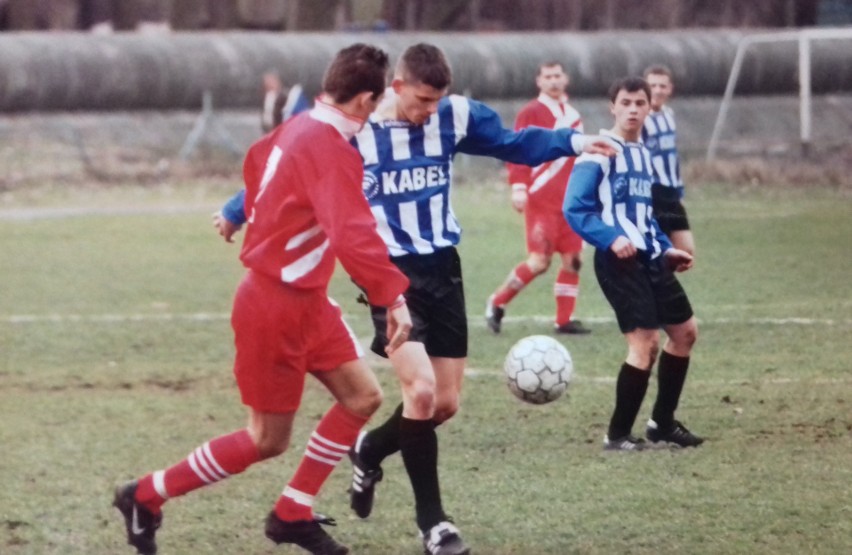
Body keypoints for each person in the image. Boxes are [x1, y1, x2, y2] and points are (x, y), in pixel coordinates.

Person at [214, 43, 619, 555]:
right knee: (420, 392)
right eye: (421, 99)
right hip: (388, 272)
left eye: (436, 100)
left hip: (442, 267)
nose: (429, 109)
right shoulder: (357, 125)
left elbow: (513, 143)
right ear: (396, 87)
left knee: (443, 405)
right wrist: (236, 208)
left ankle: (369, 448)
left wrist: (575, 142)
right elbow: (288, 165)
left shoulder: (454, 116)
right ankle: (435, 525)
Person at [114, 44, 413, 555]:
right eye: (378, 101)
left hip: (309, 302)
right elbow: (353, 234)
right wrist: (393, 299)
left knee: (363, 397)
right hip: (273, 306)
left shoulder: (301, 125)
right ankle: (143, 495)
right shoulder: (330, 147)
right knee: (265, 439)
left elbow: (259, 165)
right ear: (365, 99)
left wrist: (237, 211)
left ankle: (291, 512)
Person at [564, 76, 704, 452]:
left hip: (650, 258)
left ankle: (662, 423)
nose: (632, 109)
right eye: (625, 102)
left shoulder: (642, 154)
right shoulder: (598, 150)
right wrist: (611, 237)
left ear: (648, 107)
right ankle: (617, 435)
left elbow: (644, 216)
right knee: (644, 343)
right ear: (613, 106)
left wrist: (664, 249)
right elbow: (574, 208)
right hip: (618, 261)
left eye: (639, 103)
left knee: (686, 332)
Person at [485, 61, 591, 335]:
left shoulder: (573, 114)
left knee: (574, 260)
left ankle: (564, 320)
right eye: (548, 76)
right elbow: (517, 149)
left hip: (569, 200)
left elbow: (579, 156)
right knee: (539, 262)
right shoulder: (530, 112)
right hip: (541, 198)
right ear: (539, 81)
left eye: (558, 75)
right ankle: (497, 301)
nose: (554, 81)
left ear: (565, 79)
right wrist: (518, 186)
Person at [642, 64, 695, 255]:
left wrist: (679, 189)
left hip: (672, 192)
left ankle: (655, 282)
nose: (657, 90)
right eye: (653, 85)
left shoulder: (668, 114)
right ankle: (651, 283)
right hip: (654, 192)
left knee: (685, 250)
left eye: (662, 86)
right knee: (661, 251)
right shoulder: (640, 119)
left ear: (670, 89)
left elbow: (672, 156)